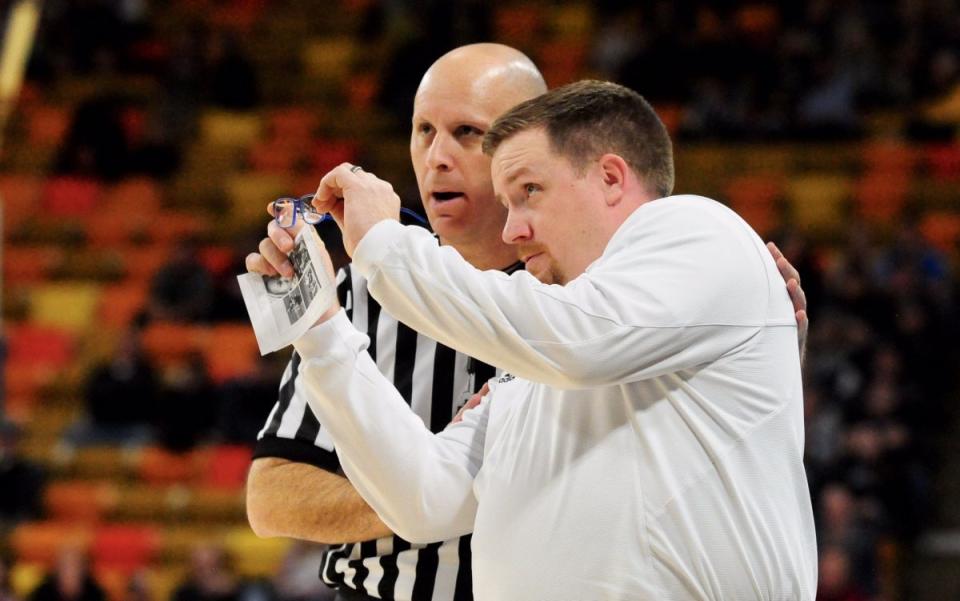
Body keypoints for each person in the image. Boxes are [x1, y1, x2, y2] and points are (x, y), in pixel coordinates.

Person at [245, 50, 809, 600]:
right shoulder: (534, 363)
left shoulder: (695, 230)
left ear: (611, 178)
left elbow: (582, 342)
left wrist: (383, 244)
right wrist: (321, 331)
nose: (513, 230)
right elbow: (424, 500)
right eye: (422, 130)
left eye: (528, 192)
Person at [245, 44, 546, 601]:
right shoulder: (362, 289)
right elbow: (271, 497)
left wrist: (437, 489)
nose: (437, 156)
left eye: (468, 133)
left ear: (532, 150)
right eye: (424, 130)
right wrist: (437, 489)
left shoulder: (584, 290)